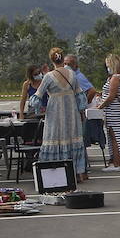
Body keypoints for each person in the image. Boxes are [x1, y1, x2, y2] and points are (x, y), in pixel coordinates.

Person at [35, 47, 88, 183]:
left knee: (54, 139)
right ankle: (76, 173)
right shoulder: (72, 74)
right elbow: (80, 97)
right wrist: (81, 111)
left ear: (51, 59)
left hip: (55, 114)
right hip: (72, 114)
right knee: (72, 140)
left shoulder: (48, 77)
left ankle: (56, 175)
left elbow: (37, 97)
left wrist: (37, 109)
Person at [94, 54, 120, 172]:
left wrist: (100, 106)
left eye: (108, 65)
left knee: (114, 135)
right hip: (119, 110)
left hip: (113, 110)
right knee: (119, 135)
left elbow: (111, 96)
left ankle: (116, 163)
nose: (107, 67)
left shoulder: (115, 78)